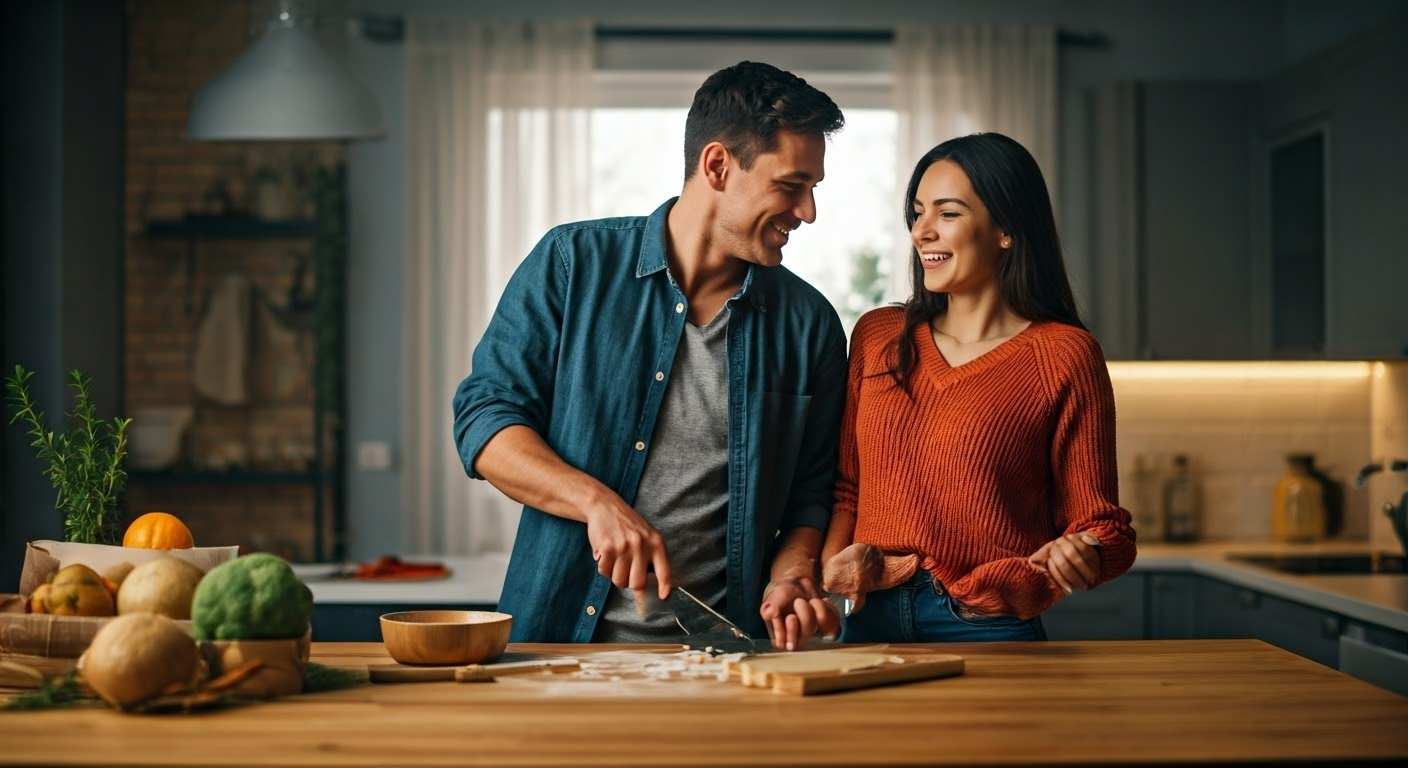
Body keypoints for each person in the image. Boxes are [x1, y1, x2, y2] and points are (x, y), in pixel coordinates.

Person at [453, 61, 847, 651]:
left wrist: (792, 573)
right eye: (791, 186)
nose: (808, 212)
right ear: (717, 165)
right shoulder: (571, 264)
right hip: (559, 649)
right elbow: (485, 422)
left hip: (728, 659)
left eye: (813, 189)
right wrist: (596, 503)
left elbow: (809, 492)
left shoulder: (809, 323)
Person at [820, 132, 1137, 642]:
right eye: (918, 212)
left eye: (947, 213)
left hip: (987, 625)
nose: (921, 231)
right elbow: (847, 489)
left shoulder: (1064, 355)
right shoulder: (878, 336)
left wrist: (1085, 551)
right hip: (865, 618)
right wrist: (826, 582)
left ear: (1006, 230)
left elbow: (1105, 528)